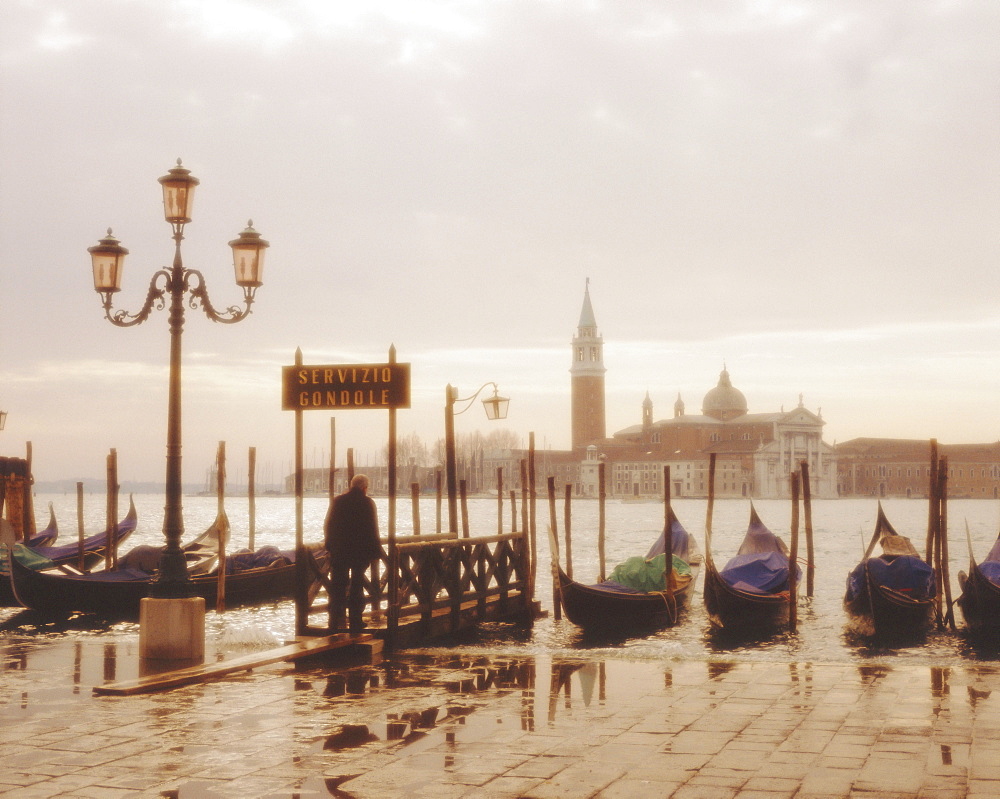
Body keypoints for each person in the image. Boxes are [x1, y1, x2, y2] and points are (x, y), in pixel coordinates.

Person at [324, 474, 383, 633]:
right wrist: (376, 551)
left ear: (351, 486)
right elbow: (372, 529)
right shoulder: (367, 503)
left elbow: (328, 525)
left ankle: (334, 622)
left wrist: (329, 545)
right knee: (357, 586)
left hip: (340, 551)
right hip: (359, 552)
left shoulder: (338, 501)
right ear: (364, 487)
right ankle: (355, 621)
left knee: (337, 587)